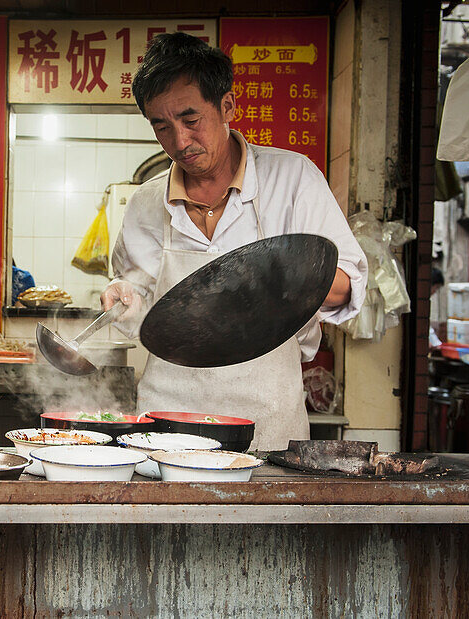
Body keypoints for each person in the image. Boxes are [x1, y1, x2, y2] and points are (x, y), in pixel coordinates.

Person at [101, 33, 369, 450]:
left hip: (265, 413)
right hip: (168, 413)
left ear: (227, 106)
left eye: (191, 120)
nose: (179, 141)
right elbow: (141, 306)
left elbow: (348, 287)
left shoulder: (293, 179)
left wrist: (284, 274)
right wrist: (126, 298)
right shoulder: (146, 202)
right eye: (161, 127)